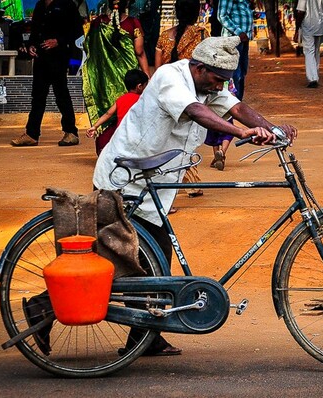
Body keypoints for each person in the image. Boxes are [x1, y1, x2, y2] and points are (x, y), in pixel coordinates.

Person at [93, 36, 297, 355]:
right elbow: (196, 112)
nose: (220, 87)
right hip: (124, 181)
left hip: (153, 183)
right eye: (217, 80)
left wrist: (273, 131)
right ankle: (46, 304)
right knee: (122, 261)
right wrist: (241, 133)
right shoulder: (169, 78)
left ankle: (144, 338)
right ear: (199, 68)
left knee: (154, 263)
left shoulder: (208, 86)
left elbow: (237, 107)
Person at [10, 0, 83, 147]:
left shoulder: (67, 5)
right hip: (41, 57)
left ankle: (71, 132)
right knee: (37, 95)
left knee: (61, 93)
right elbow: (35, 30)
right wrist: (31, 45)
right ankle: (31, 134)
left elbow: (77, 31)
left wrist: (58, 41)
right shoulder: (39, 5)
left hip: (59, 56)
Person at [154, 0, 209, 198]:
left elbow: (159, 69)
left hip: (168, 93)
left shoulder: (163, 37)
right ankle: (187, 181)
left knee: (170, 138)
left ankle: (188, 180)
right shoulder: (202, 35)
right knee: (186, 139)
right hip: (190, 94)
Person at [82, 0, 150, 142]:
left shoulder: (97, 23)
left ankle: (104, 146)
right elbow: (139, 51)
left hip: (104, 79)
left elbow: (89, 48)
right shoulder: (133, 23)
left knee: (108, 111)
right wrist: (147, 76)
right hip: (128, 78)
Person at [86, 69, 149, 156]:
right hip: (136, 135)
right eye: (146, 85)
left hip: (120, 134)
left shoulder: (121, 99)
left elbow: (108, 114)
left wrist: (95, 126)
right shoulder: (142, 100)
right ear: (139, 86)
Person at [217, 0, 254, 101]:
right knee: (234, 74)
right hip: (233, 39)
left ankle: (238, 102)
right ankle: (232, 104)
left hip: (244, 39)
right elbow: (222, 16)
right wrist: (239, 32)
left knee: (242, 72)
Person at [293, 0, 323, 88]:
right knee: (316, 52)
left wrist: (297, 29)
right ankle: (315, 75)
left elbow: (301, 12)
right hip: (321, 27)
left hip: (308, 27)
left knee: (309, 52)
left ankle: (312, 79)